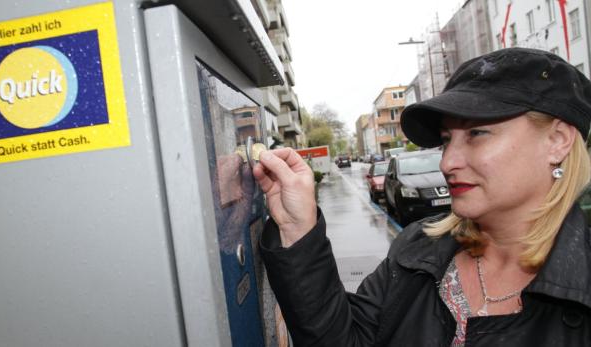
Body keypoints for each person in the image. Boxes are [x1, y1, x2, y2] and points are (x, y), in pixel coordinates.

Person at [252, 47, 591, 346]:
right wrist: (299, 228)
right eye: (446, 139)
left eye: (476, 133)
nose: (447, 161)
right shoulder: (418, 249)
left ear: (558, 140)